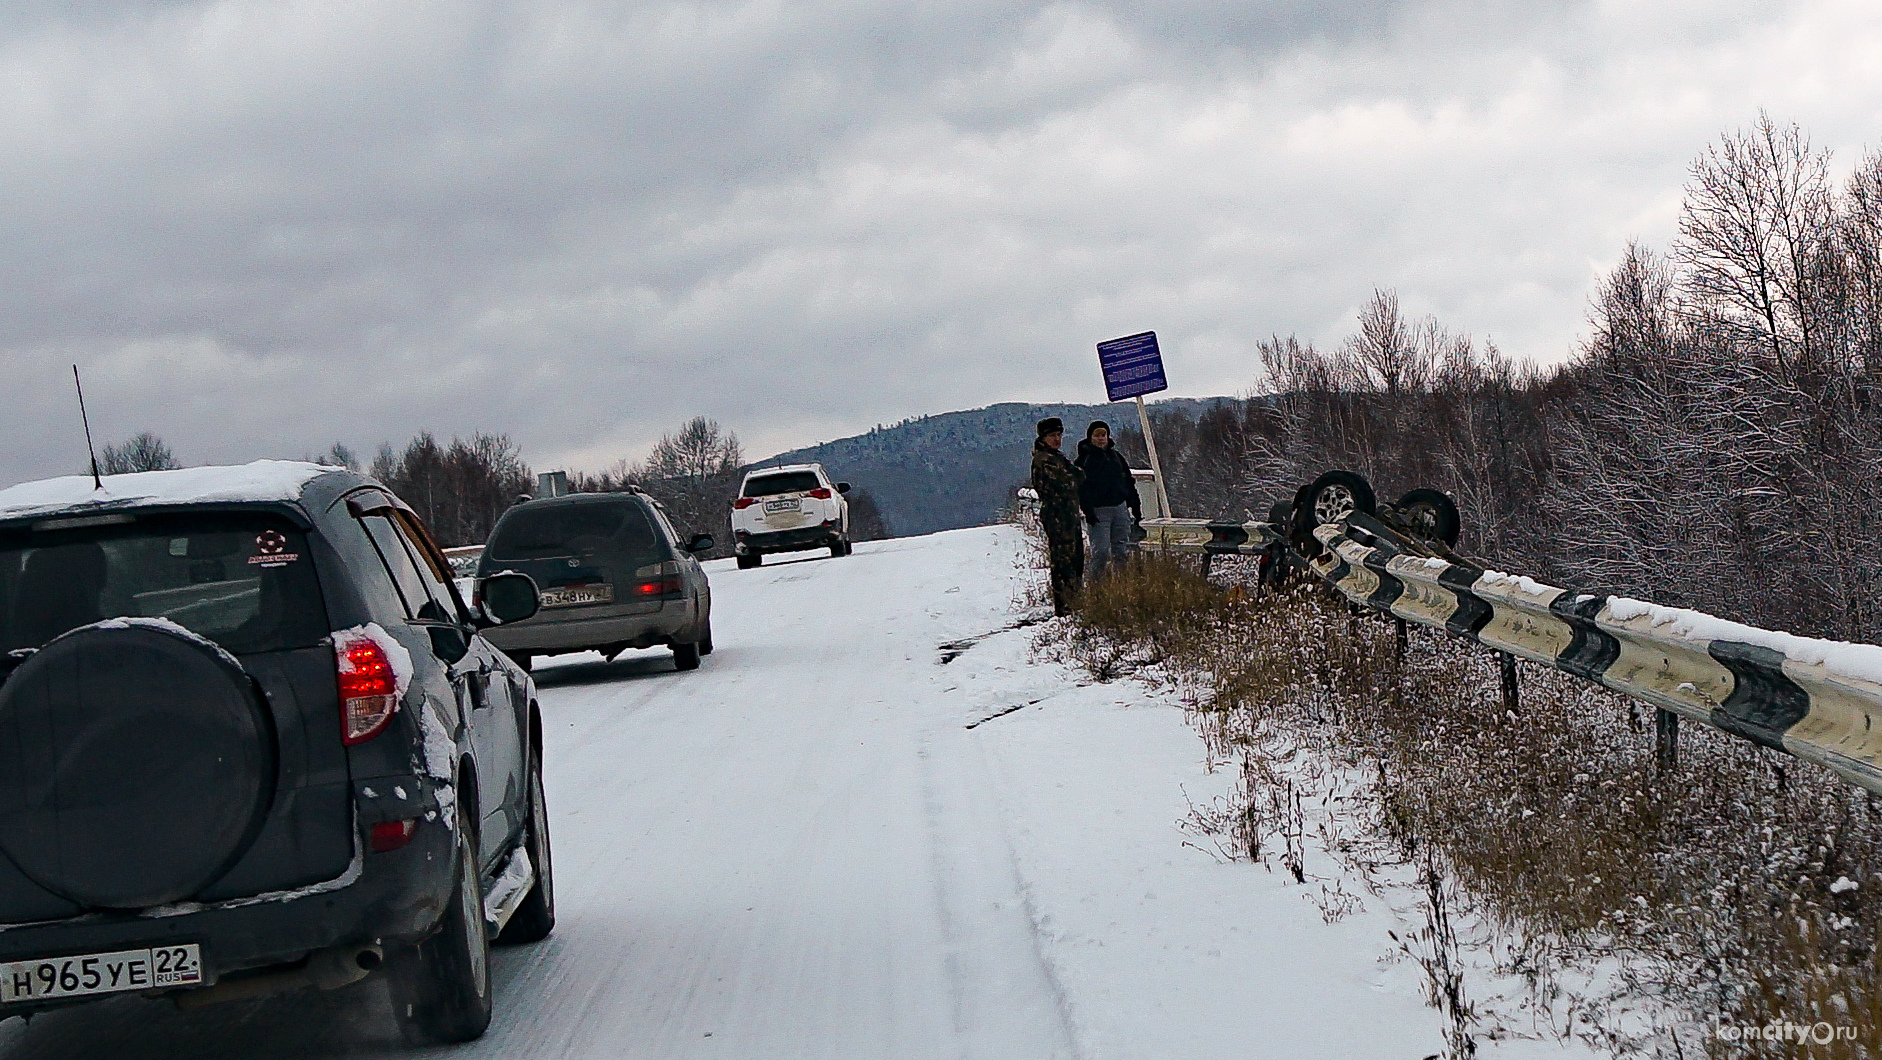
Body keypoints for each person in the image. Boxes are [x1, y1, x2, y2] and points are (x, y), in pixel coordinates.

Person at [1029, 417, 1085, 616]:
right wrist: (1074, 477)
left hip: (1068, 514)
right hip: (1057, 515)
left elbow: (1076, 476)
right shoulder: (1044, 460)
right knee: (1064, 561)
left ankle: (1074, 602)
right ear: (1043, 437)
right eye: (1052, 435)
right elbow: (1067, 482)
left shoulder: (1056, 457)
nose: (1057, 439)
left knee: (1076, 559)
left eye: (1059, 435)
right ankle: (1066, 607)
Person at [1074, 420, 1141, 579]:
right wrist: (1088, 511)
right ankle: (1096, 589)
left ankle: (1121, 586)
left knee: (1121, 550)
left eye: (1103, 434)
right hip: (1098, 512)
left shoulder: (1116, 457)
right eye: (1097, 435)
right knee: (1101, 552)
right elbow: (1080, 488)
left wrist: (1135, 505)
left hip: (1120, 508)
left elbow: (1128, 481)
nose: (1101, 438)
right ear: (1090, 437)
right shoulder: (1084, 459)